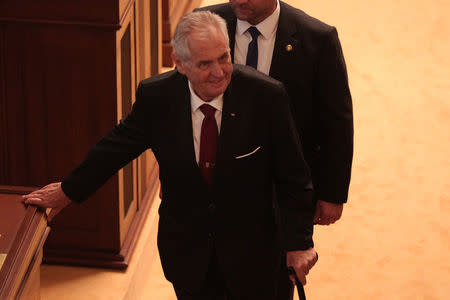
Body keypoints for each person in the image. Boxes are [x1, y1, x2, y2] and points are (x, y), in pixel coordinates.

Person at [22, 11, 318, 299]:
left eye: (224, 58)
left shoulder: (267, 97)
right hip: (189, 254)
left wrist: (300, 243)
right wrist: (68, 191)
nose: (219, 72)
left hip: (256, 257)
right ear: (179, 63)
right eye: (205, 64)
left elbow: (294, 176)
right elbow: (115, 148)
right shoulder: (157, 97)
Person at [198, 0, 354, 226]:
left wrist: (332, 193)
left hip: (282, 193)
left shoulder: (318, 39)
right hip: (215, 186)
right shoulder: (203, 24)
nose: (240, 1)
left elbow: (336, 121)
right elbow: (181, 103)